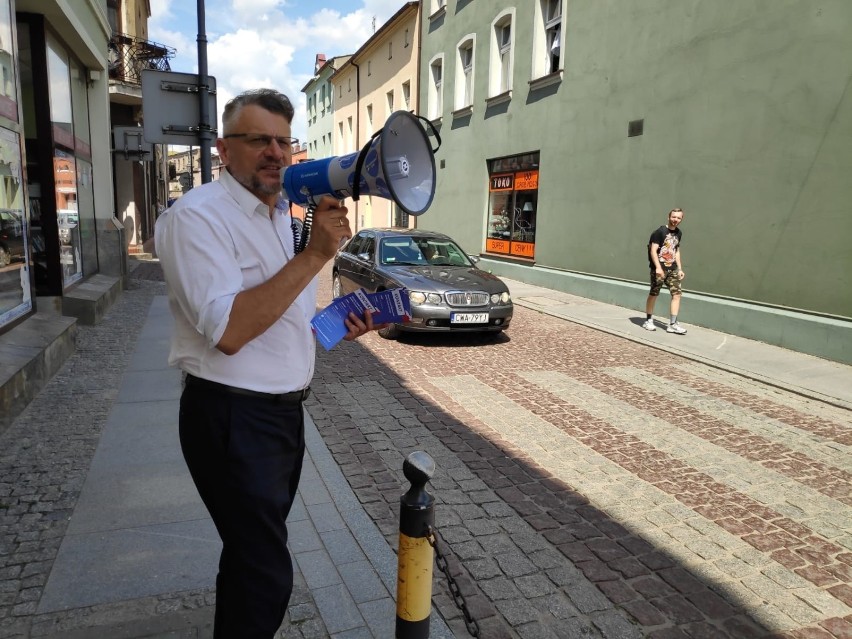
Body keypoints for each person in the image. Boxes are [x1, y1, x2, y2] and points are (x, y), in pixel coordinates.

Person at [154, 88, 380, 638]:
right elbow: (230, 330)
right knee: (266, 574)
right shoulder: (196, 218)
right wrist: (316, 256)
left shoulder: (279, 217)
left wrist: (336, 327)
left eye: (283, 140)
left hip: (280, 419)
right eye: (258, 140)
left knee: (249, 558)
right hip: (232, 420)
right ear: (225, 149)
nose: (275, 152)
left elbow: (281, 317)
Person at [643, 207, 687, 334]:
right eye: (674, 217)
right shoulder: (659, 232)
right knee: (654, 293)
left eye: (678, 218)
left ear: (681, 219)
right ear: (669, 217)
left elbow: (676, 250)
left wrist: (679, 268)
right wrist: (657, 267)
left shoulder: (679, 233)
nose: (676, 220)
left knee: (677, 294)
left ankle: (672, 324)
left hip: (672, 268)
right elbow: (653, 250)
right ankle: (649, 320)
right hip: (660, 268)